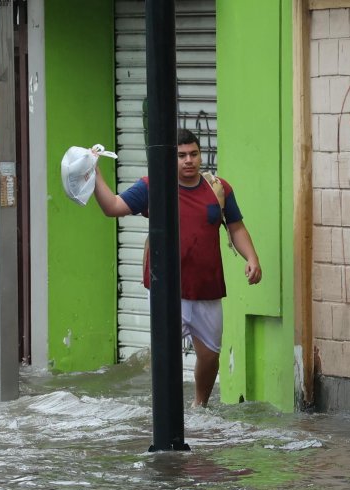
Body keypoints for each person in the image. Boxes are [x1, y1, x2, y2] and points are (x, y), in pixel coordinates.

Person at [92, 129, 262, 407]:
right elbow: (112, 206)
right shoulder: (153, 186)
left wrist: (252, 259)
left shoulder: (218, 188)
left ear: (201, 155)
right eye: (181, 155)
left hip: (207, 288)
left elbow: (236, 227)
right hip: (167, 290)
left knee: (210, 356)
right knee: (167, 354)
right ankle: (166, 413)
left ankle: (199, 407)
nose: (188, 160)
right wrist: (94, 173)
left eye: (193, 154)